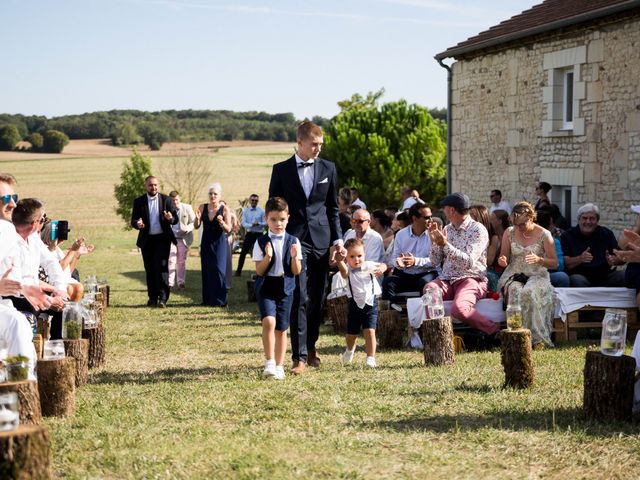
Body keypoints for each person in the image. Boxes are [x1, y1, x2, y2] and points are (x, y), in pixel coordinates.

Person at [268, 121, 343, 374]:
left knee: (318, 297)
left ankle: (311, 347)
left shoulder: (328, 168)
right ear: (300, 143)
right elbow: (274, 207)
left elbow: (333, 209)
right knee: (298, 295)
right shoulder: (280, 170)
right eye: (314, 144)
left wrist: (338, 240)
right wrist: (276, 240)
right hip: (294, 241)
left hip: (322, 240)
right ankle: (298, 357)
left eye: (321, 145)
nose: (318, 149)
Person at [426, 193, 499, 338]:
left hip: (471, 279)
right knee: (430, 289)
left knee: (459, 309)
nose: (443, 211)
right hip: (447, 279)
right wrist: (434, 242)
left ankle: (494, 331)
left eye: (445, 208)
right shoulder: (447, 229)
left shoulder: (478, 230)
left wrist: (445, 244)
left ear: (452, 210)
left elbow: (468, 262)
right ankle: (439, 337)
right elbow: (434, 261)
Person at [252, 197, 302, 380]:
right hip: (267, 286)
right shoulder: (260, 242)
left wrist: (295, 257)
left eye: (282, 219)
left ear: (288, 218)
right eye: (273, 219)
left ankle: (280, 365)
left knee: (281, 328)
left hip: (286, 286)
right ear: (266, 219)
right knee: (269, 322)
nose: (278, 223)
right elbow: (259, 270)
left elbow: (296, 271)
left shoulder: (294, 241)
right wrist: (267, 256)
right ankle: (270, 362)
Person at [497, 202, 557, 347]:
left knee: (529, 292)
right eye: (516, 224)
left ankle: (537, 339)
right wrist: (502, 260)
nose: (519, 228)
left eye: (522, 224)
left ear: (531, 218)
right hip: (514, 274)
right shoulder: (509, 232)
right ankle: (516, 336)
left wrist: (539, 259)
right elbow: (503, 257)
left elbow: (555, 263)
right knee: (515, 291)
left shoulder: (544, 234)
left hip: (537, 274)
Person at [335, 238, 386, 368]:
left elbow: (383, 265)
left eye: (359, 256)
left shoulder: (368, 265)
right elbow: (343, 272)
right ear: (346, 257)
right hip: (355, 304)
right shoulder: (347, 270)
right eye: (352, 256)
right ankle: (350, 349)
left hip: (370, 303)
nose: (356, 259)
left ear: (364, 255)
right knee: (351, 335)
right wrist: (340, 261)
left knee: (370, 331)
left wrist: (381, 268)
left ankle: (370, 357)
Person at [130, 176, 178, 308]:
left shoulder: (166, 200)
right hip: (147, 240)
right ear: (146, 186)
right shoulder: (139, 201)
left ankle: (163, 298)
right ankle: (152, 298)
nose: (153, 187)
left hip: (162, 239)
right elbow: (133, 220)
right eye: (151, 185)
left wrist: (170, 218)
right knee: (150, 269)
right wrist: (137, 224)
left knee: (162, 268)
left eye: (156, 185)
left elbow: (175, 219)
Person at [560, 203, 625, 287]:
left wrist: (613, 260)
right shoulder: (567, 235)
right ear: (578, 220)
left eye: (592, 218)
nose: (588, 222)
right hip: (581, 275)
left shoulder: (606, 233)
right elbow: (566, 263)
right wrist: (580, 258)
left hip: (605, 276)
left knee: (625, 275)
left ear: (597, 221)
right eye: (584, 218)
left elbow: (621, 258)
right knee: (577, 280)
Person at [382, 203, 437, 300]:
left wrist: (415, 261)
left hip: (427, 274)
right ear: (415, 218)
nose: (431, 220)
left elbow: (435, 261)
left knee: (426, 283)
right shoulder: (401, 234)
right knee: (388, 282)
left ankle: (424, 312)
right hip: (406, 275)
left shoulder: (433, 234)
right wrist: (399, 262)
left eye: (431, 216)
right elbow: (394, 259)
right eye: (427, 217)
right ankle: (396, 312)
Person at [194, 183, 232, 307]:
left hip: (219, 243)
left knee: (219, 270)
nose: (212, 196)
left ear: (220, 195)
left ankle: (221, 301)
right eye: (210, 193)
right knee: (207, 270)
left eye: (215, 194)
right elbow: (196, 226)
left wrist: (221, 222)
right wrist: (197, 219)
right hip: (206, 242)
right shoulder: (202, 207)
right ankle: (207, 300)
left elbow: (228, 229)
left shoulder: (224, 209)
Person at [168, 191, 195, 289]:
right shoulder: (167, 209)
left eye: (176, 200)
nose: (175, 202)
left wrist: (187, 229)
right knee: (171, 259)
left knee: (181, 261)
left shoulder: (187, 208)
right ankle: (170, 283)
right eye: (172, 200)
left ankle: (181, 282)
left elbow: (194, 222)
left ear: (179, 199)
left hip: (183, 238)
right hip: (171, 238)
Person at [535, 208, 570, 287]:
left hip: (546, 274)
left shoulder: (553, 242)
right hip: (526, 274)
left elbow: (560, 265)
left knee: (562, 277)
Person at [469, 205, 500, 292]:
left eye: (471, 214)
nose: (468, 217)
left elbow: (489, 261)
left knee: (491, 278)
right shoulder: (466, 233)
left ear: (480, 217)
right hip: (466, 267)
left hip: (484, 268)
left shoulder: (493, 237)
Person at [235, 194, 265, 277]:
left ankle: (262, 272)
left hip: (259, 234)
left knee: (262, 253)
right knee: (243, 252)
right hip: (250, 234)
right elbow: (243, 223)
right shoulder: (246, 211)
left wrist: (259, 223)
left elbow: (266, 223)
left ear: (258, 201)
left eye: (256, 200)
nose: (254, 202)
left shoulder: (262, 211)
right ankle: (238, 271)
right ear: (249, 201)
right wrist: (252, 225)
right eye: (252, 200)